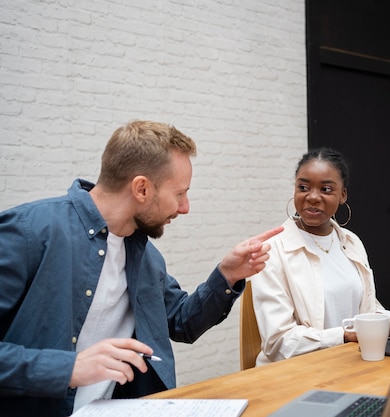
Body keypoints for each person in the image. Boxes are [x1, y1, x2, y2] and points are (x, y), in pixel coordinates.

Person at [0, 120, 283, 416]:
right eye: (179, 193)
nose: (185, 207)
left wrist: (228, 275)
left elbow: (181, 323)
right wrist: (68, 368)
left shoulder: (146, 256)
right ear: (142, 188)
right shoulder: (28, 233)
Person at [251, 147, 390, 366]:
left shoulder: (351, 242)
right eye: (303, 187)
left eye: (326, 189)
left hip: (349, 365)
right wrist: (345, 335)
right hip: (296, 374)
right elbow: (278, 343)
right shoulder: (271, 251)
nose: (312, 197)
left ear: (343, 195)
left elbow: (366, 311)